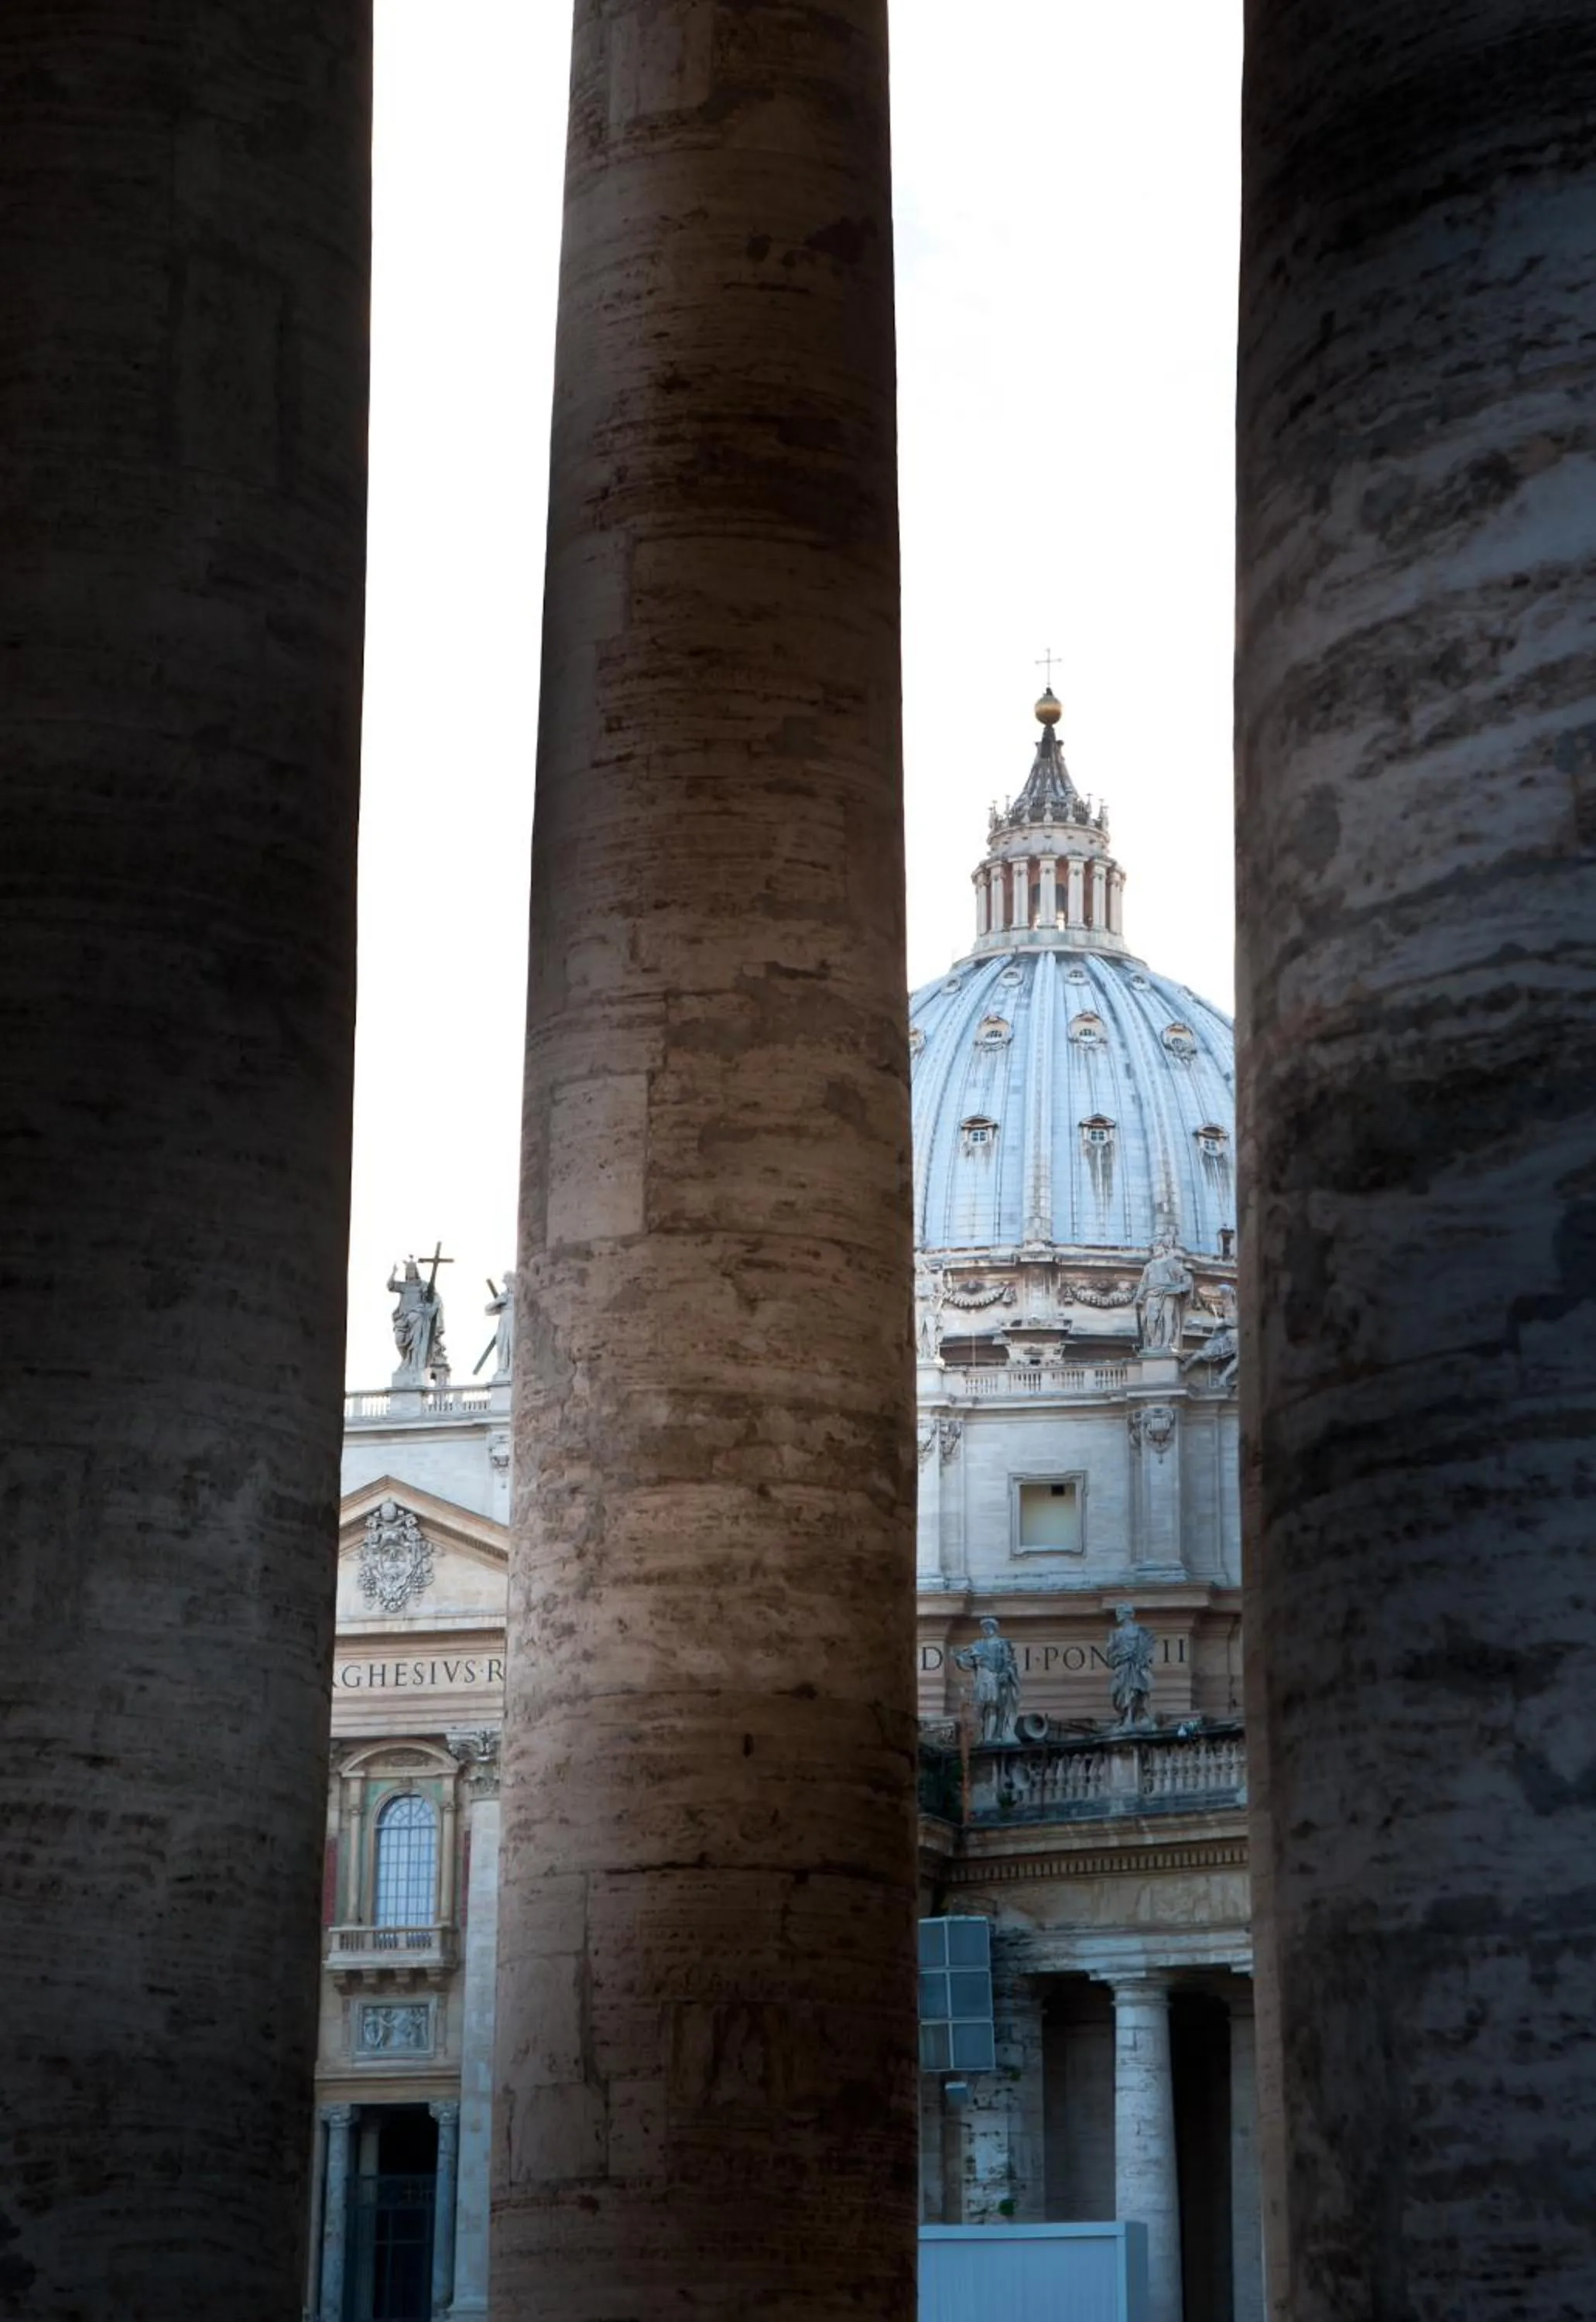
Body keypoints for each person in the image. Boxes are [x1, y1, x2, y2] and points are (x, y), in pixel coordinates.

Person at [953, 1617, 1021, 1745]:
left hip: (994, 1678)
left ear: (994, 1628)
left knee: (993, 1707)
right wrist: (959, 1658)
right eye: (984, 1627)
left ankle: (991, 1736)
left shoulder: (1002, 1643)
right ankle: (984, 1736)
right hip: (982, 1678)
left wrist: (1006, 1674)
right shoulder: (978, 1644)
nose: (986, 1630)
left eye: (989, 1627)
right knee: (981, 1709)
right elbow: (969, 1662)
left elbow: (1009, 1662)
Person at [1107, 1604, 1156, 1729]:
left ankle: (1131, 1717)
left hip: (1135, 1666)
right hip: (1122, 1667)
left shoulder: (1141, 1632)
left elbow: (1148, 1649)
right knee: (1118, 1692)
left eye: (1121, 1612)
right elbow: (1110, 1654)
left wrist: (1141, 1660)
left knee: (1134, 1691)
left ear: (1129, 1615)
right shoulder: (1116, 1634)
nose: (1118, 1615)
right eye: (1118, 1612)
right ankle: (1127, 1716)